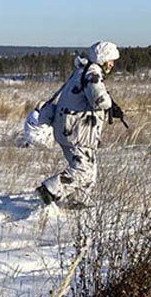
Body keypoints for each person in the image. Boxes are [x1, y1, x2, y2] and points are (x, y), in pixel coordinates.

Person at [35, 41, 120, 208]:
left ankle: (77, 201)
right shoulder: (92, 74)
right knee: (83, 171)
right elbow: (100, 99)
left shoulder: (82, 70)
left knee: (90, 172)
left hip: (70, 129)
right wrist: (110, 105)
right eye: (111, 59)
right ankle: (48, 190)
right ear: (103, 59)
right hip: (76, 133)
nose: (112, 63)